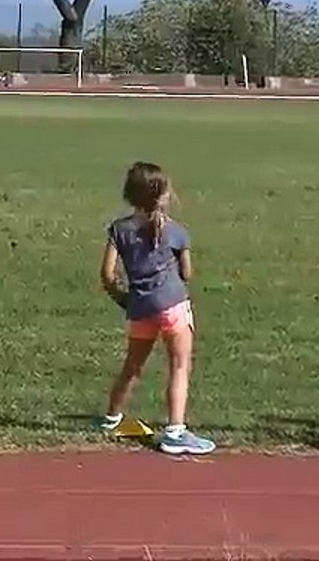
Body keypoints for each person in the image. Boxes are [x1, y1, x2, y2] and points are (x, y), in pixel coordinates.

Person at [98, 162, 215, 456]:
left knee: (132, 367)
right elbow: (187, 274)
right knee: (179, 366)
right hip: (174, 305)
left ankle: (111, 418)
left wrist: (123, 297)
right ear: (161, 196)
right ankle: (175, 430)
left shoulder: (118, 229)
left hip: (140, 308)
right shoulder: (177, 232)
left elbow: (108, 274)